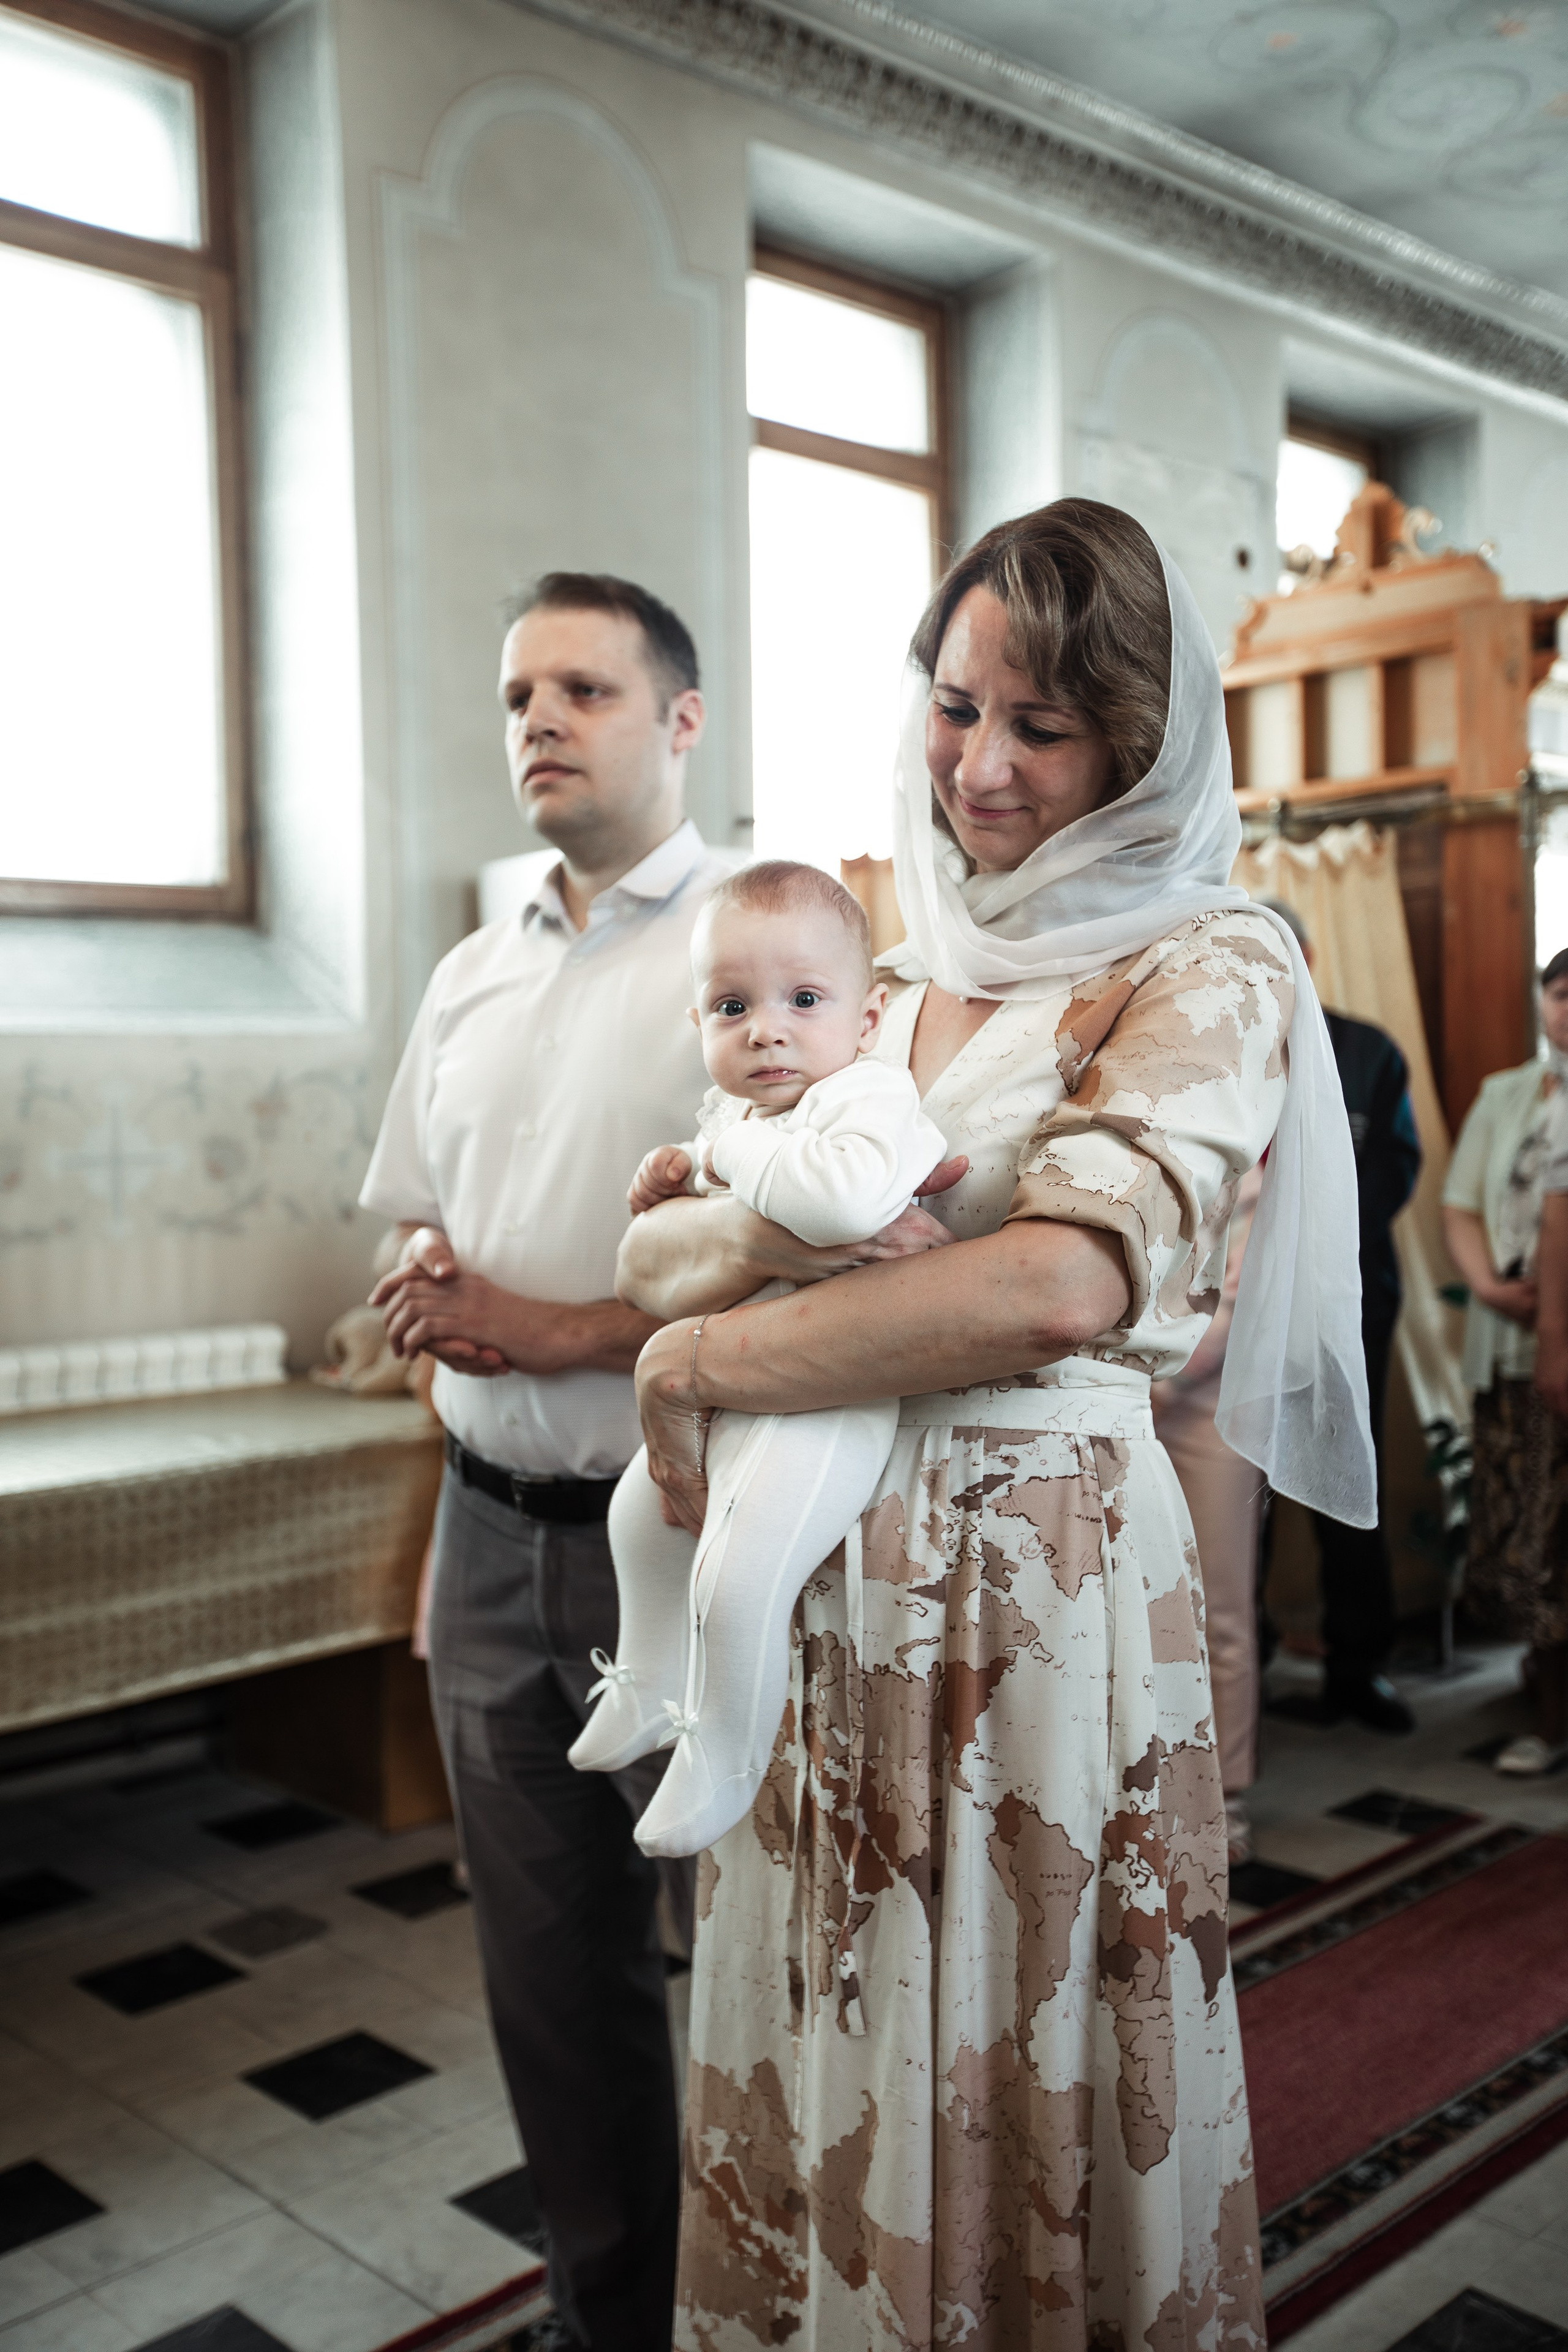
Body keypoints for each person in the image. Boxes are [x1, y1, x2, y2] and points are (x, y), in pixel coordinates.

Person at [617, 499, 1373, 2348]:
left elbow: (1058, 1284)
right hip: (818, 1593)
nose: (982, 765)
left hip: (1032, 1599)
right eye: (958, 707)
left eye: (1042, 726)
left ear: (1135, 737)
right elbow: (676, 1236)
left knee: (1014, 2047)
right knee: (834, 2023)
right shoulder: (885, 968)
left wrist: (704, 1358)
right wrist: (709, 1260)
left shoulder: (1208, 964)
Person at [357, 573, 739, 2352]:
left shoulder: (757, 935)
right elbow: (432, 1224)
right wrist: (433, 1292)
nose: (537, 719)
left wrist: (545, 1324)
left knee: (750, 1956)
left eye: (585, 687)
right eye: (519, 691)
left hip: (691, 1530)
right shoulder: (473, 965)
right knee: (555, 1988)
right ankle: (615, 2320)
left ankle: (779, 2304)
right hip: (494, 1534)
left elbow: (789, 1263)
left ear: (678, 720)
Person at [571, 859, 948, 1858]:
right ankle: (651, 1683)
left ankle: (725, 1755)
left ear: (866, 1019)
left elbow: (834, 1202)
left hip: (832, 1395)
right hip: (741, 1372)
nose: (765, 1028)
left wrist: (724, 1163)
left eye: (803, 1000)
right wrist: (678, 1177)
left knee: (737, 1579)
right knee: (642, 1514)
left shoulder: (873, 1098)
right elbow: (681, 1244)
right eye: (730, 1006)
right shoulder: (741, 1116)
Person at [1259, 899, 1422, 1733]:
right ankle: (1237, 1670)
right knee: (1235, 1486)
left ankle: (1360, 1669)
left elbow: (1397, 1171)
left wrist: (1312, 1243)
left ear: (1309, 955)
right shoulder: (1221, 1047)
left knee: (1344, 1471)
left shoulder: (1367, 1051)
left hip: (1346, 1297)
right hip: (1239, 1308)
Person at [1449, 947, 1568, 1776]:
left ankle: (1554, 1708)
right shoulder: (1508, 1094)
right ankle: (1541, 1682)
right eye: (1560, 995)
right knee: (1516, 1527)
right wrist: (1489, 1285)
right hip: (1513, 1338)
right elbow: (1461, 1204)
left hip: (1561, 1339)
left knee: (1555, 1531)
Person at [1149, 1160, 1265, 1863]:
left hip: (1208, 1402)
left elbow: (1242, 1283)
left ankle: (1226, 1799)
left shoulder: (1260, 1148)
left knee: (1216, 1607)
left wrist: (1150, 1381)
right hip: (1089, 1378)